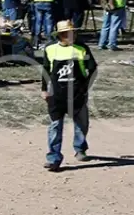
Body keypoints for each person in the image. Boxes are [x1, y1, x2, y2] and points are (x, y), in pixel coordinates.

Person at [42, 20, 97, 171]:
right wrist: (44, 90)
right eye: (67, 33)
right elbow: (46, 70)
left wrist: (85, 87)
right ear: (60, 35)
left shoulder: (81, 48)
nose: (71, 35)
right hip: (56, 95)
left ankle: (80, 148)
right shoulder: (50, 49)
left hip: (77, 94)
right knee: (55, 127)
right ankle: (53, 158)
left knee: (81, 123)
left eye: (73, 32)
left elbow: (92, 68)